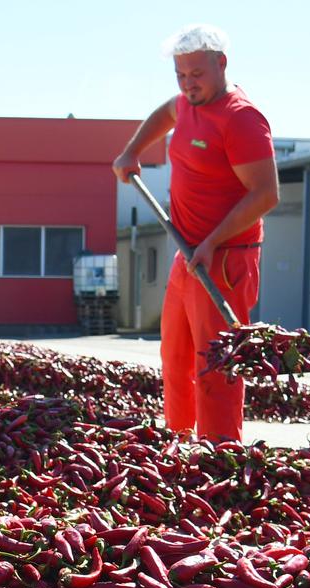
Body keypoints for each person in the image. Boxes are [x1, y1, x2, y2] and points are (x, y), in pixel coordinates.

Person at [112, 24, 279, 442]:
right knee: (175, 356)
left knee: (215, 366)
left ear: (221, 64)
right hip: (189, 254)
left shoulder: (241, 119)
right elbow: (165, 112)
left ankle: (217, 455)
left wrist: (212, 242)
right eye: (181, 76)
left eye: (197, 75)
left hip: (225, 259)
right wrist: (132, 150)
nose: (188, 85)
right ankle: (180, 441)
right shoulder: (186, 104)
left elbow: (266, 194)